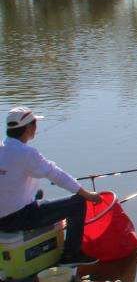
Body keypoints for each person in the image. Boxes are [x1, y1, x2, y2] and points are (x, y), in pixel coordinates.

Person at [0, 107, 101, 266]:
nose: (36, 129)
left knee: (38, 192)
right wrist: (87, 194)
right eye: (35, 125)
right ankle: (71, 256)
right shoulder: (27, 153)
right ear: (29, 128)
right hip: (16, 218)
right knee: (77, 203)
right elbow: (56, 174)